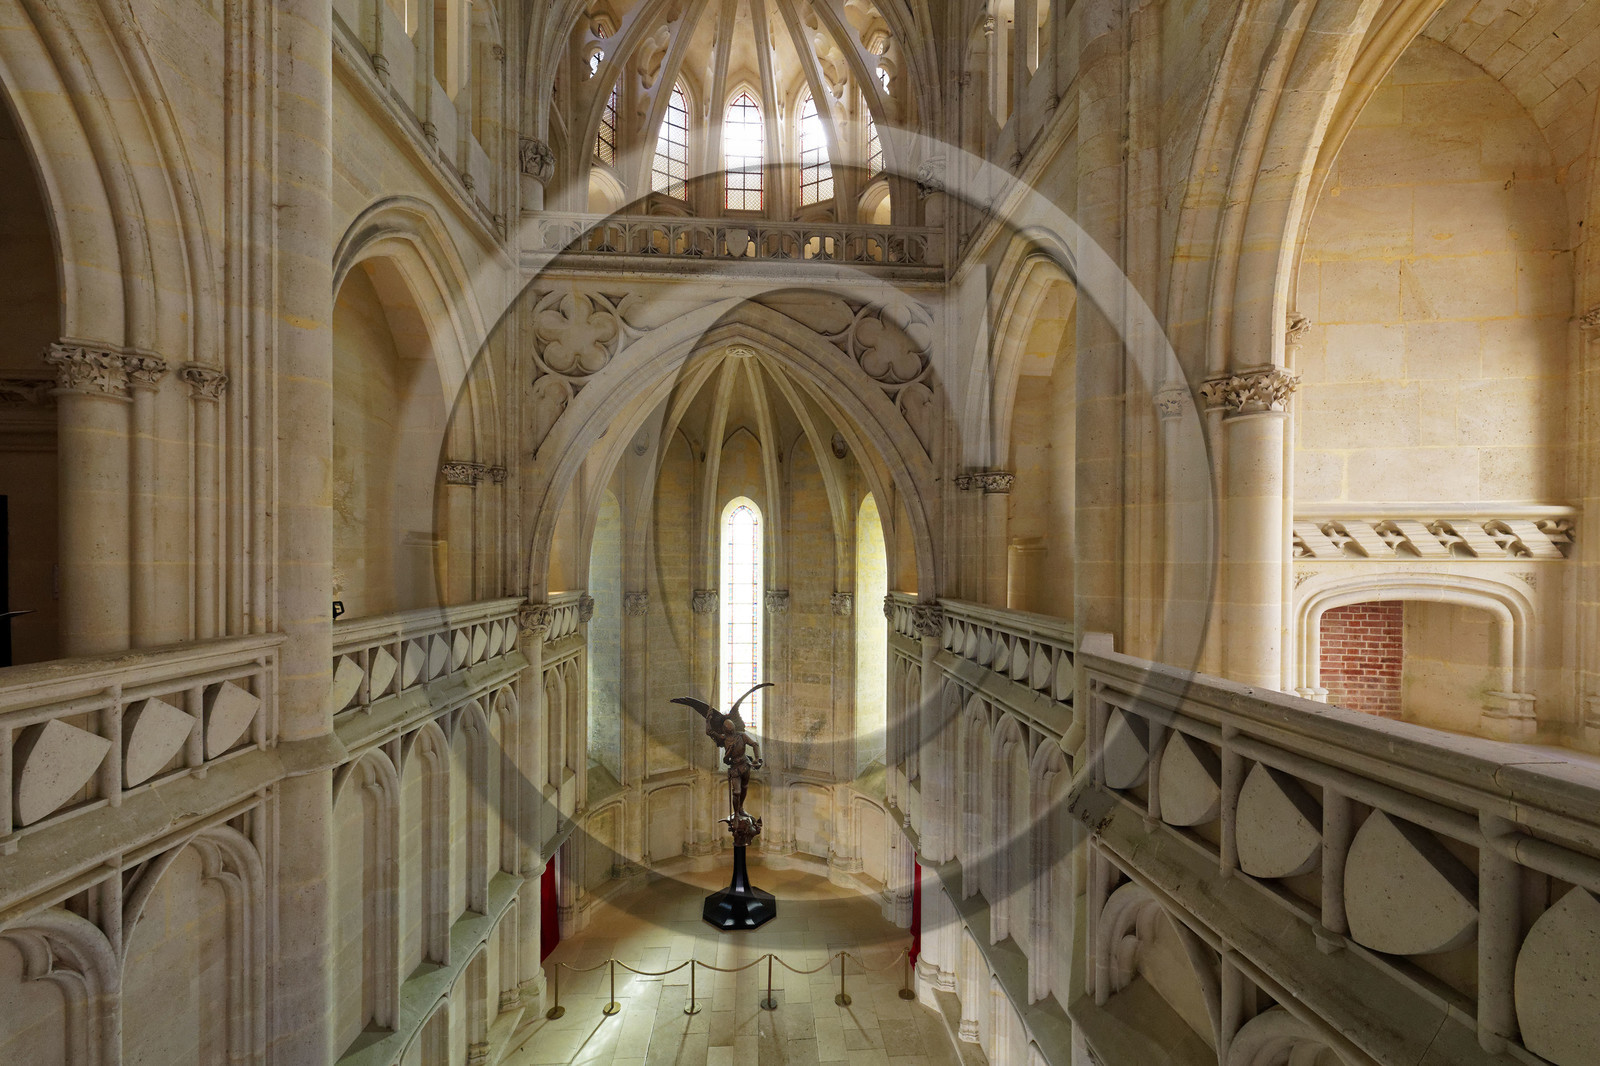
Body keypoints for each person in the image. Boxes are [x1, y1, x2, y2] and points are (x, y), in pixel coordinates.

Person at [721, 717, 763, 819]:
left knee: (744, 788)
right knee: (736, 792)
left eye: (732, 728)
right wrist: (729, 751)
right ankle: (736, 814)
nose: (731, 731)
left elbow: (755, 744)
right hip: (735, 768)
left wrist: (757, 758)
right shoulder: (724, 739)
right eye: (729, 729)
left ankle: (741, 809)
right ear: (725, 730)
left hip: (745, 765)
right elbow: (726, 761)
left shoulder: (742, 736)